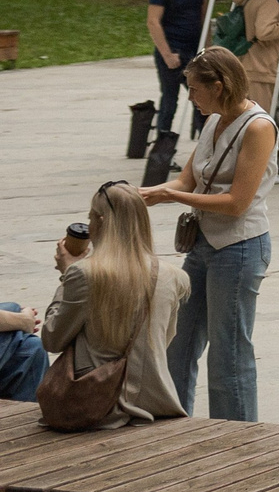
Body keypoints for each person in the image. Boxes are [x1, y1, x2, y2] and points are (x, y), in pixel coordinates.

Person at [140, 45, 276, 420]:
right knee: (178, 342)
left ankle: (236, 435)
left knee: (228, 354)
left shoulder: (258, 127)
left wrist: (170, 196)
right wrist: (147, 193)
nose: (190, 97)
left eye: (195, 89)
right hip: (202, 244)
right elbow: (188, 178)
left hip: (240, 246)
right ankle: (173, 422)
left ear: (218, 86)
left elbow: (237, 202)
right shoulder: (214, 120)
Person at [36, 182, 190, 428]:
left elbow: (52, 339)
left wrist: (66, 276)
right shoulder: (174, 276)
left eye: (90, 218)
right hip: (154, 403)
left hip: (96, 406)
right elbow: (164, 339)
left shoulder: (84, 274)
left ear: (100, 221)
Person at [148, 0, 210, 142]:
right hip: (173, 48)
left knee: (202, 97)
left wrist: (207, 47)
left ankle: (207, 143)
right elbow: (153, 21)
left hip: (194, 49)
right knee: (170, 100)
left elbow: (203, 15)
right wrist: (167, 54)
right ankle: (162, 145)